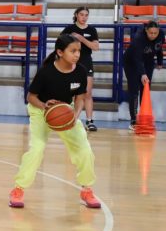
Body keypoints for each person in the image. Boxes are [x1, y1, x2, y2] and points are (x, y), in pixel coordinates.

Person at [8, 34, 101, 209]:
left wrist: (75, 116)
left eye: (79, 51)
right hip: (41, 110)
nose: (77, 54)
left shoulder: (80, 71)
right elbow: (31, 97)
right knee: (37, 148)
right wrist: (44, 106)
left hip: (66, 111)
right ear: (60, 52)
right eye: (73, 51)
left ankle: (87, 189)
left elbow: (80, 98)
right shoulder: (46, 72)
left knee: (84, 149)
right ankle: (18, 189)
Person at [62, 6, 99, 131]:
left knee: (87, 93)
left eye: (86, 15)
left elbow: (95, 47)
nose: (84, 17)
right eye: (81, 14)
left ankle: (90, 121)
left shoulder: (91, 30)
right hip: (72, 63)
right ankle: (71, 119)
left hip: (86, 63)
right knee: (72, 93)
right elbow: (60, 44)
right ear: (76, 15)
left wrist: (82, 39)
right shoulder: (69, 29)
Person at [123, 20, 164, 130]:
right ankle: (133, 120)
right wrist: (142, 73)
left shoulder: (161, 34)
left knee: (145, 88)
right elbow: (137, 58)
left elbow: (159, 47)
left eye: (155, 33)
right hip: (131, 62)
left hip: (148, 61)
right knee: (134, 90)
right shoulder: (139, 38)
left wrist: (160, 61)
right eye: (151, 33)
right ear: (146, 30)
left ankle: (143, 117)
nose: (153, 35)